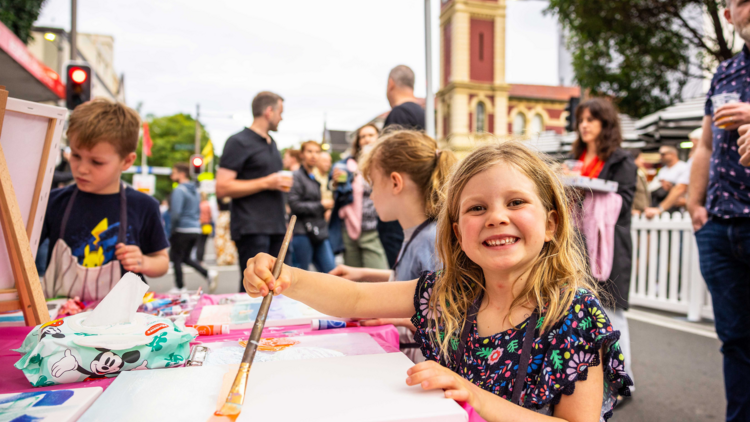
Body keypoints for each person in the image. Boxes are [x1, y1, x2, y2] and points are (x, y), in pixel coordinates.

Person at [244, 141, 632, 420]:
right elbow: (358, 299)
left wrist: (474, 397)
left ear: (550, 224)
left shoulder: (575, 316)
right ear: (458, 232)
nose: (496, 217)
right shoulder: (448, 294)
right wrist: (286, 276)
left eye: (515, 202)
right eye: (477, 208)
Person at [330, 130, 457, 362]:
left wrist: (390, 317)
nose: (372, 196)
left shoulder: (432, 239)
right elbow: (417, 283)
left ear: (395, 183)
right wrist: (362, 273)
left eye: (373, 184)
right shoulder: (419, 233)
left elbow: (449, 319)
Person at [688, 1, 750, 418]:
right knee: (736, 341)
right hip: (720, 228)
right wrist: (695, 205)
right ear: (729, 16)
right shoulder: (725, 72)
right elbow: (706, 146)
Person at [41, 99, 169, 299]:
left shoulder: (144, 205)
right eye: (75, 155)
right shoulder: (52, 202)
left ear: (126, 161)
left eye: (96, 162)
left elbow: (162, 261)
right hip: (63, 316)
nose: (82, 168)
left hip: (124, 320)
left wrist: (142, 261)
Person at [571, 98, 637, 395]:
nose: (584, 125)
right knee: (583, 310)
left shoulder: (621, 160)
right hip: (579, 244)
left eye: (591, 119)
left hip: (610, 248)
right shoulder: (577, 158)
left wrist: (585, 185)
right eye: (581, 119)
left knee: (613, 311)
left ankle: (625, 381)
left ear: (605, 124)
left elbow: (622, 204)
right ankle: (596, 381)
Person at [216, 91, 291, 292]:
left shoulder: (271, 143)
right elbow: (222, 187)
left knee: (281, 288)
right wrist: (266, 182)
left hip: (276, 227)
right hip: (252, 228)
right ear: (269, 111)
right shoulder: (238, 141)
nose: (281, 117)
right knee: (257, 290)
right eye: (280, 112)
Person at [379, 65, 426, 267]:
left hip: (400, 206)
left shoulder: (398, 114)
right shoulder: (423, 114)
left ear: (391, 84)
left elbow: (390, 163)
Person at [328, 124, 389, 270]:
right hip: (349, 226)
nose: (366, 139)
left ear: (378, 138)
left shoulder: (385, 163)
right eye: (362, 136)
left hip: (374, 228)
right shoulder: (348, 164)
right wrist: (335, 183)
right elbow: (335, 190)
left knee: (377, 275)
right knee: (353, 276)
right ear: (358, 141)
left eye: (370, 135)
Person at [168, 164, 218, 293]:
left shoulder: (179, 190)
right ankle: (207, 273)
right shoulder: (195, 191)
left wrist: (171, 229)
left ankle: (180, 287)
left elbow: (176, 213)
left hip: (182, 228)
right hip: (195, 228)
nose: (171, 176)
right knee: (185, 257)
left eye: (174, 172)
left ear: (182, 174)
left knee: (176, 258)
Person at [288, 141, 336, 273]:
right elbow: (295, 205)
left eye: (317, 152)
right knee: (299, 276)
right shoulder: (296, 176)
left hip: (319, 231)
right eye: (310, 151)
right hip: (302, 232)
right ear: (302, 154)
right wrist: (321, 205)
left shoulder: (315, 177)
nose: (313, 155)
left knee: (332, 273)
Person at [644, 129, 701, 219]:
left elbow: (681, 188)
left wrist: (659, 209)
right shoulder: (663, 170)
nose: (691, 147)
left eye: (693, 144)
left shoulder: (685, 166)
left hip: (678, 210)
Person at [648, 145, 688, 209]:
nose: (661, 157)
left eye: (663, 154)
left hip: (677, 206)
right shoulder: (662, 170)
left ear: (672, 154)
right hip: (662, 203)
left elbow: (683, 188)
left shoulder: (684, 167)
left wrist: (671, 187)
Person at [313, 151, 333, 222]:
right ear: (317, 162)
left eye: (329, 161)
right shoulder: (312, 176)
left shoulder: (328, 177)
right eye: (325, 161)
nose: (328, 164)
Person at [630, 150, 650, 216]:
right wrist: (631, 210)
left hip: (642, 214)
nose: (643, 161)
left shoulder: (640, 174)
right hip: (634, 214)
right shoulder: (630, 175)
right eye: (640, 158)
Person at [195, 192, 213, 264]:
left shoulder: (198, 205)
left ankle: (198, 258)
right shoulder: (207, 205)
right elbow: (211, 215)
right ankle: (201, 258)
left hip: (199, 224)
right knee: (203, 243)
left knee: (199, 243)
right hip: (206, 224)